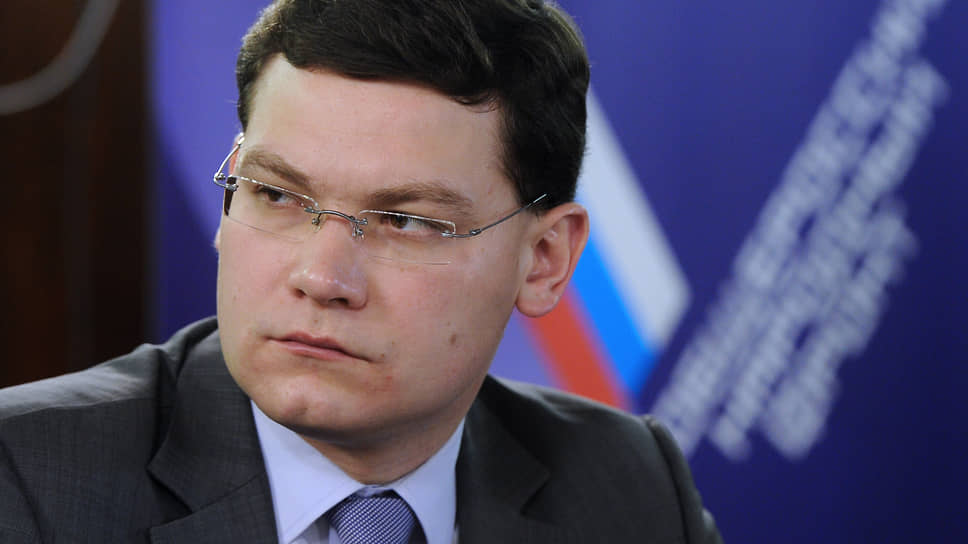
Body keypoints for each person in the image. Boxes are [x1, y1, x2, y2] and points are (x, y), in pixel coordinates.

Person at [0, 0, 722, 542]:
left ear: (544, 261)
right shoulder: (26, 481)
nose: (322, 278)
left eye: (405, 221)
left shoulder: (630, 487)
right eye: (276, 194)